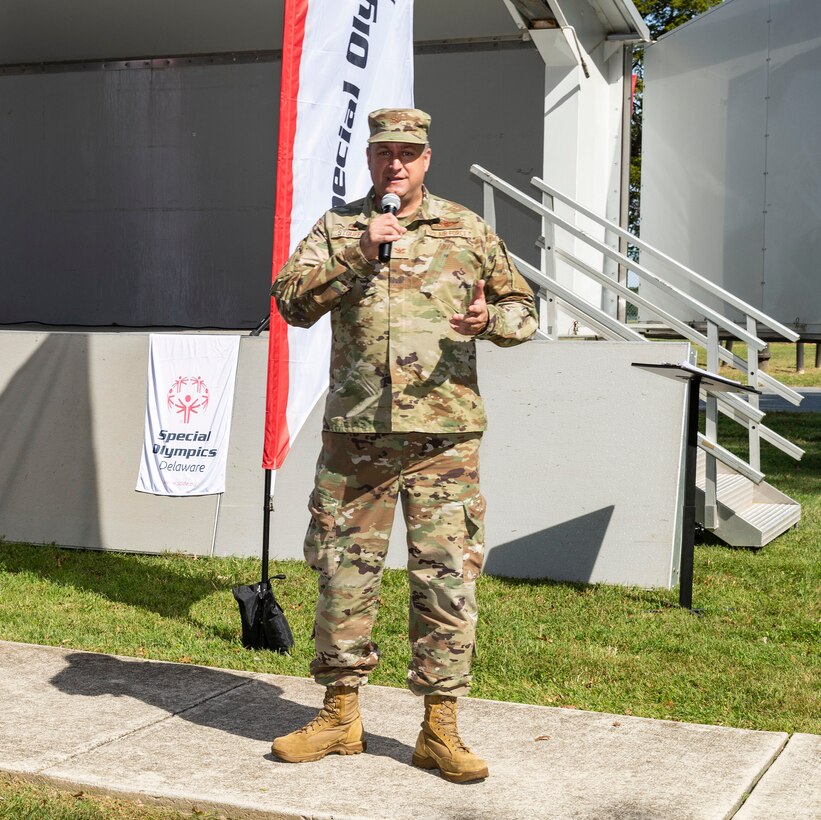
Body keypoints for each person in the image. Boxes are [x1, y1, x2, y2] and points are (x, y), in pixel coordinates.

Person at [270, 108, 537, 783]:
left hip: (442, 439)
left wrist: (490, 321)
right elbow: (291, 303)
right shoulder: (338, 229)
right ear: (369, 158)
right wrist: (360, 253)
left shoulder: (466, 229)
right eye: (385, 152)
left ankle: (439, 729)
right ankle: (339, 718)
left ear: (427, 160)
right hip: (356, 439)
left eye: (409, 154)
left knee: (445, 578)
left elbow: (520, 308)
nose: (397, 164)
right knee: (341, 575)